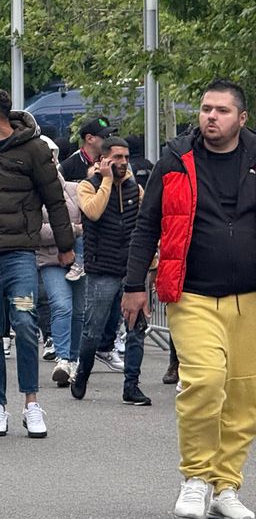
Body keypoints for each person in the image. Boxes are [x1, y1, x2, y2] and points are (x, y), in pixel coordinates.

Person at [122, 80, 256, 519]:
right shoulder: (176, 159)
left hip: (250, 298)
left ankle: (226, 487)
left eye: (221, 110)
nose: (210, 117)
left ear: (241, 118)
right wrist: (134, 285)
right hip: (192, 293)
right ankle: (196, 479)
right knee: (205, 383)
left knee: (242, 395)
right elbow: (147, 225)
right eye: (205, 109)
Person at [0, 88, 74, 438]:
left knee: (23, 321)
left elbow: (55, 200)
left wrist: (66, 246)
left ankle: (31, 404)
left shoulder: (33, 149)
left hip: (20, 252)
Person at [71, 136, 148, 404]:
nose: (123, 163)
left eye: (126, 158)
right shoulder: (86, 186)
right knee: (93, 329)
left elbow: (144, 222)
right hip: (101, 269)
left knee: (136, 327)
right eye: (117, 158)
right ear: (103, 160)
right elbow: (92, 212)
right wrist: (104, 180)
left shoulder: (134, 188)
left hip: (130, 270)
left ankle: (131, 386)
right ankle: (82, 373)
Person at [33, 136, 86, 388]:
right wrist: (71, 231)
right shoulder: (32, 195)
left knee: (78, 311)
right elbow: (35, 231)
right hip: (50, 260)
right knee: (61, 305)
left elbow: (91, 222)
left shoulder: (77, 190)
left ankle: (74, 359)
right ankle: (63, 358)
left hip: (80, 260)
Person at [60, 115, 117, 182]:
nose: (110, 140)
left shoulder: (115, 160)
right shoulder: (66, 167)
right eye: (106, 136)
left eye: (111, 136)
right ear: (89, 139)